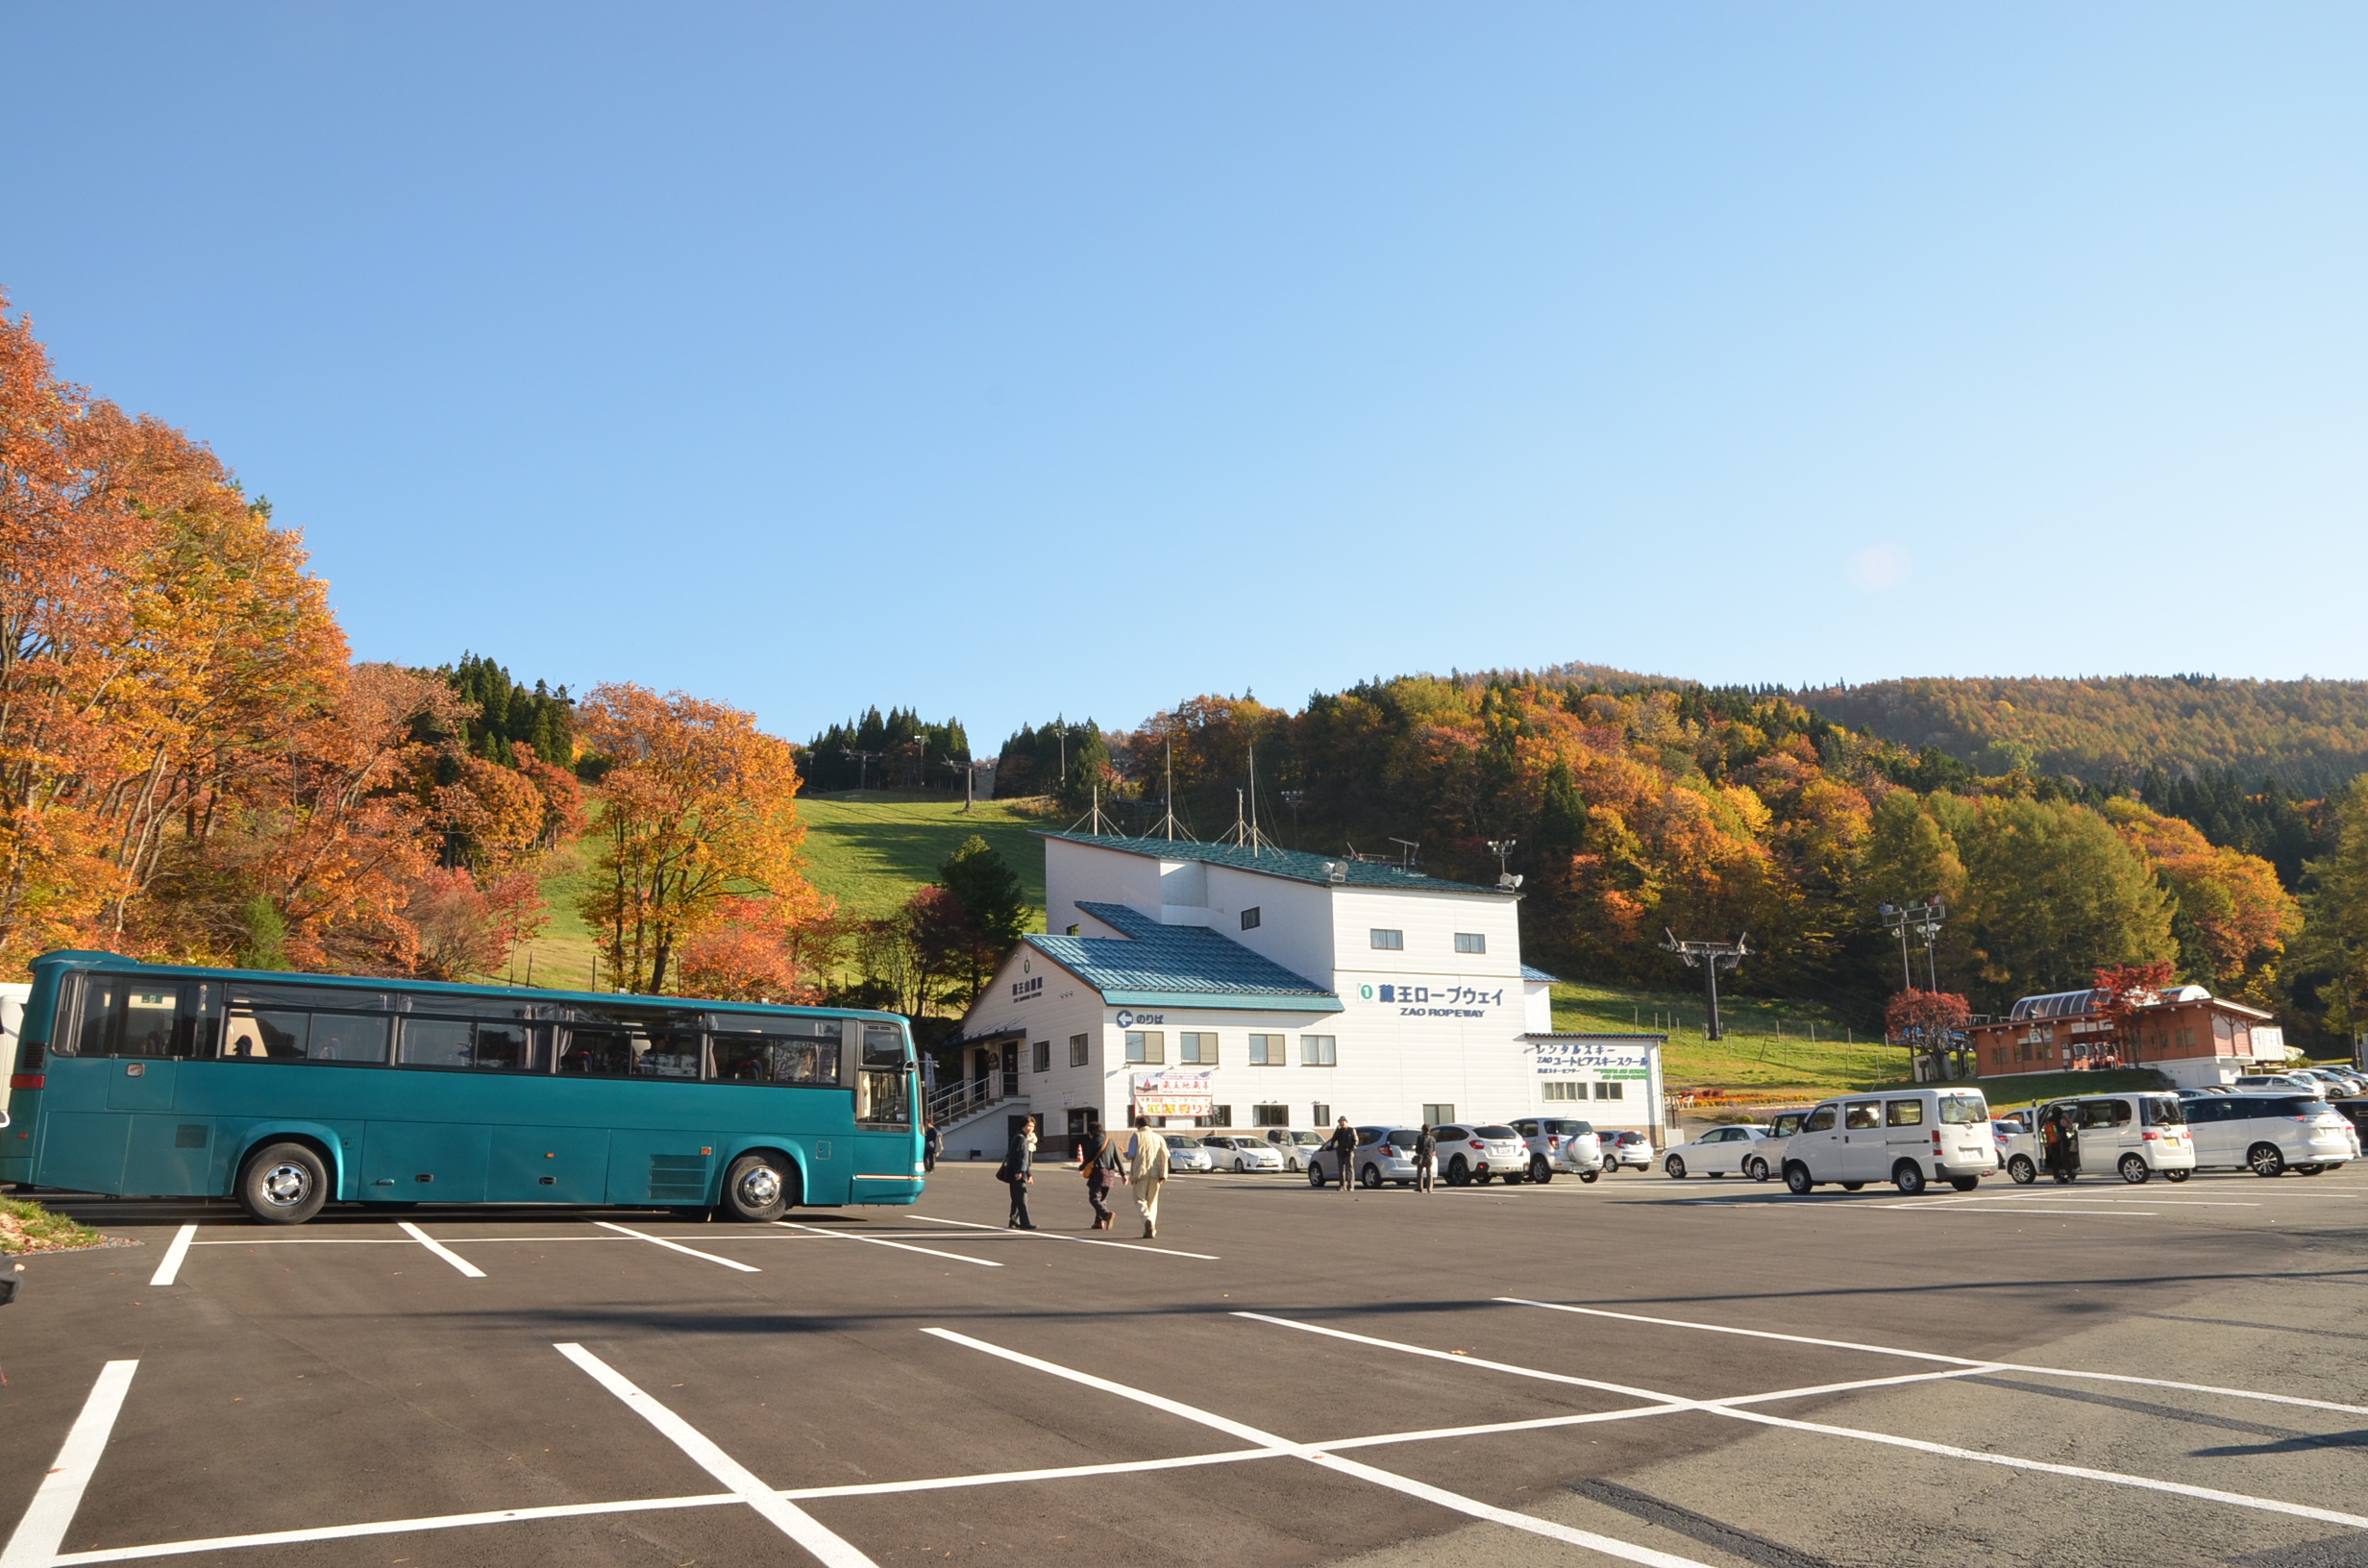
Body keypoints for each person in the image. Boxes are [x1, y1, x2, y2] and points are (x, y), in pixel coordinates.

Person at [1125, 1115, 1170, 1238]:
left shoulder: (1137, 1136)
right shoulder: (1159, 1137)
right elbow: (1167, 1154)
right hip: (1157, 1173)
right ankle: (1152, 1230)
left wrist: (1125, 1154)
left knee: (1139, 1199)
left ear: (1138, 1125)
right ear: (1150, 1125)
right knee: (1152, 1202)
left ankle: (1147, 1220)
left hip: (1141, 1172)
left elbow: (1131, 1154)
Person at [1077, 1124, 1122, 1230]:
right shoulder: (1110, 1141)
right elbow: (1117, 1158)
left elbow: (1088, 1158)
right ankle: (1098, 1222)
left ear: (1091, 1132)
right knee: (1102, 1198)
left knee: (1094, 1197)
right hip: (1111, 1174)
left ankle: (1106, 1215)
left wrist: (1081, 1167)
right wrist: (1124, 1174)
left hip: (1099, 1173)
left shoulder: (1094, 1142)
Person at [1004, 1116, 1038, 1229]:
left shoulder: (1023, 1139)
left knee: (1016, 1198)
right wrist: (1019, 1171)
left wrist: (1029, 1174)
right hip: (1018, 1173)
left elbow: (1025, 1159)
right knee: (1022, 1198)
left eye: (1032, 1127)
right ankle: (1025, 1222)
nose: (1030, 1129)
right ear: (1023, 1125)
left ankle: (1013, 1220)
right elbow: (1017, 1157)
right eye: (1028, 1126)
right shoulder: (1020, 1138)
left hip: (1020, 1171)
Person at [1325, 1116, 1359, 1195]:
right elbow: (1333, 1139)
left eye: (1343, 1121)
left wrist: (1351, 1149)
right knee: (1341, 1170)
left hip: (1349, 1152)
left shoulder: (1351, 1130)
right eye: (1340, 1121)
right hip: (1340, 1152)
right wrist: (1331, 1146)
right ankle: (1342, 1185)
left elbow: (1356, 1141)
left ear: (1346, 1122)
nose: (1342, 1123)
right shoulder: (1339, 1131)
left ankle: (1351, 1186)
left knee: (1349, 1169)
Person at [1414, 1123, 1438, 1193]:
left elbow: (1417, 1148)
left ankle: (1419, 1187)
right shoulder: (1432, 1138)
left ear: (1423, 1130)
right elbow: (1434, 1149)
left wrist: (1418, 1152)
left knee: (1420, 1172)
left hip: (1422, 1157)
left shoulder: (1420, 1137)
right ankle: (1429, 1188)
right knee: (1429, 1173)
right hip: (1430, 1157)